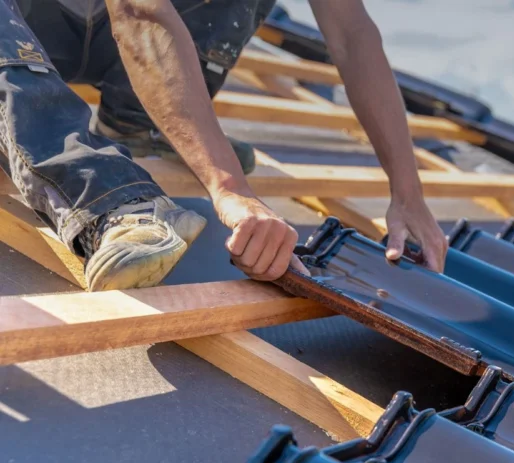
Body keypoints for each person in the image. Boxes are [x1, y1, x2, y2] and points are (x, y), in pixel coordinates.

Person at [1, 0, 448, 291]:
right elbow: (139, 10)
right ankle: (104, 200)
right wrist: (229, 187)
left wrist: (408, 194)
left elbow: (353, 34)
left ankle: (144, 121)